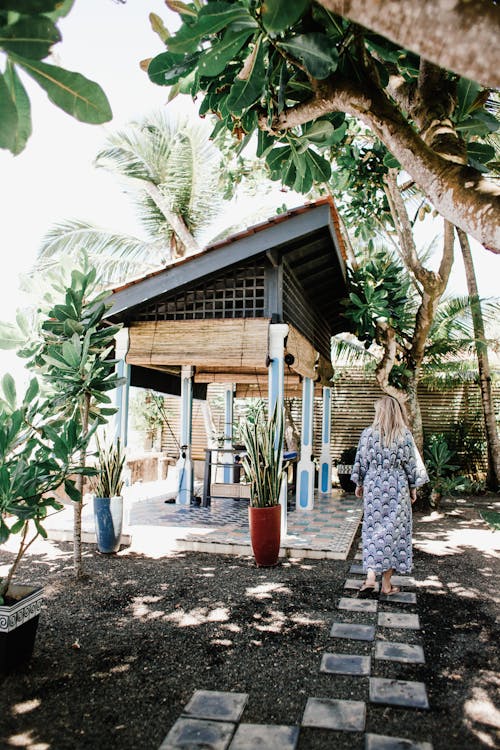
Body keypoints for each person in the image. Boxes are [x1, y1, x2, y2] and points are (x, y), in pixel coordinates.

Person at [350, 395, 428, 596]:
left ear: (380, 413)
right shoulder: (404, 435)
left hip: (374, 485)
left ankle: (369, 578)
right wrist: (413, 488)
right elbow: (412, 465)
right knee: (395, 535)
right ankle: (386, 585)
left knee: (372, 530)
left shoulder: (368, 434)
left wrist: (359, 483)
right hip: (397, 487)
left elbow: (361, 461)